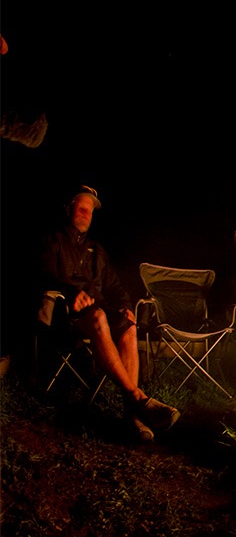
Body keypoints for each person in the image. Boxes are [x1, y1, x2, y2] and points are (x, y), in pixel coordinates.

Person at [39, 185, 180, 442]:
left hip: (98, 314)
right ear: (68, 209)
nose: (85, 214)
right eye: (81, 208)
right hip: (66, 315)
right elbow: (43, 274)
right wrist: (70, 292)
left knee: (127, 324)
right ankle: (139, 399)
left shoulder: (97, 250)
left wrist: (125, 304)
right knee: (100, 317)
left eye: (89, 211)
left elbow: (114, 286)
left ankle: (134, 416)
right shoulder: (53, 241)